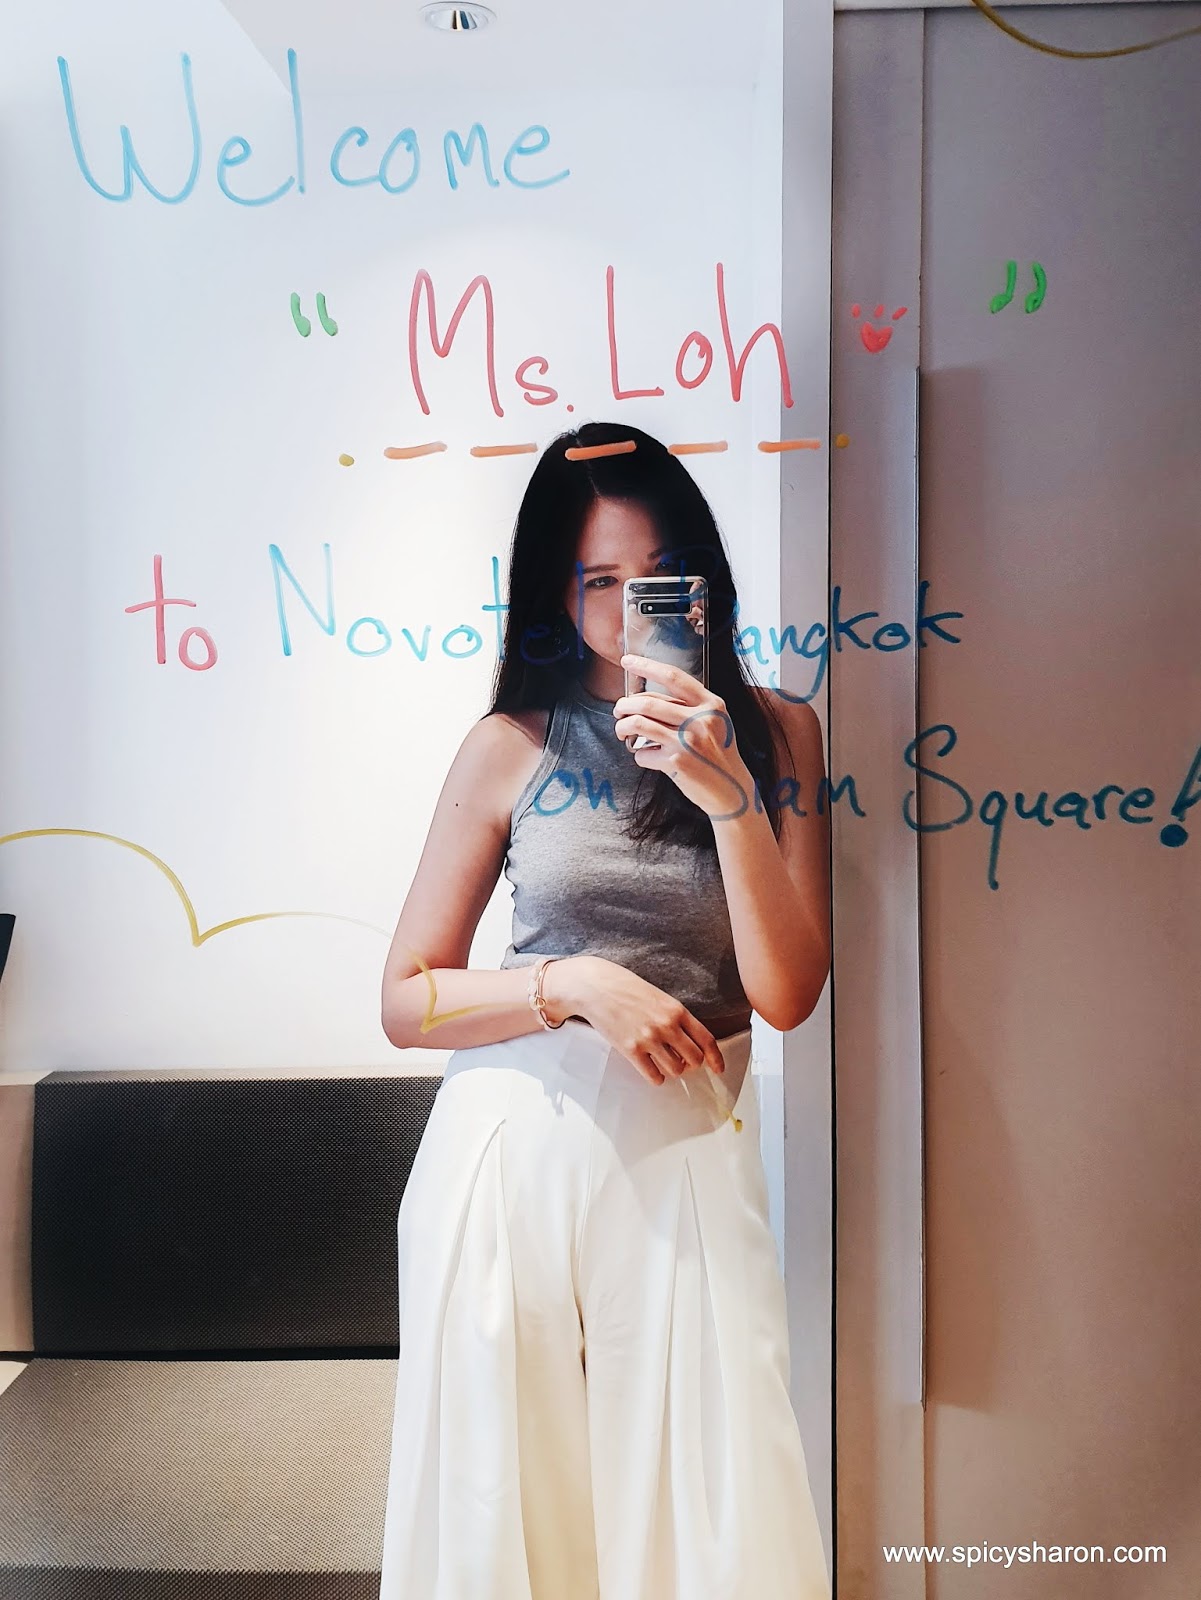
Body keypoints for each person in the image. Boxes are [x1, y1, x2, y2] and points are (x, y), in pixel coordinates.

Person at [376, 421, 832, 1600]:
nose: (633, 611)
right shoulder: (509, 744)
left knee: (711, 1508)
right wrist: (573, 982)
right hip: (509, 1147)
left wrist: (725, 794)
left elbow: (786, 994)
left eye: (659, 576)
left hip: (684, 1145)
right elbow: (407, 998)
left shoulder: (778, 731)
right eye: (598, 581)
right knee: (505, 1506)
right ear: (553, 590)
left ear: (704, 578)